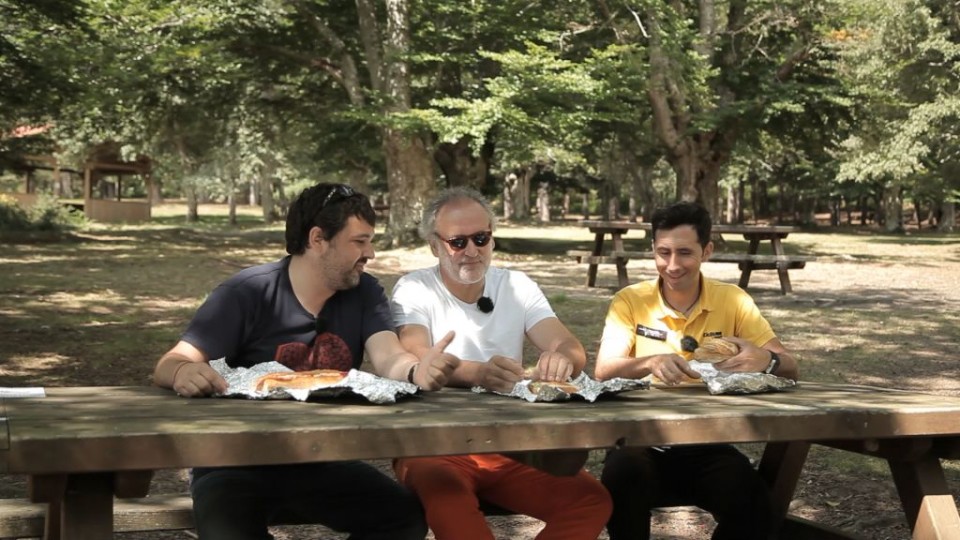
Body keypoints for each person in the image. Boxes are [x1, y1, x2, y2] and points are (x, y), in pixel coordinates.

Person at [152, 183, 458, 540]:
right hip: (233, 462)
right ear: (317, 239)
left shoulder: (364, 292)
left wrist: (415, 370)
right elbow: (170, 363)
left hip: (318, 460)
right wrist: (184, 370)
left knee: (404, 519)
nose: (370, 253)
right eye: (359, 241)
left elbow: (389, 356)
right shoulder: (246, 292)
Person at [389, 186, 612, 540]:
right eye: (457, 242)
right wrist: (478, 373)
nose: (472, 251)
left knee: (590, 501)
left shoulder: (516, 285)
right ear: (434, 245)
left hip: (510, 444)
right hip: (433, 444)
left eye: (481, 238)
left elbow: (570, 346)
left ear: (492, 238)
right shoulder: (414, 288)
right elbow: (416, 353)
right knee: (457, 517)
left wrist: (561, 358)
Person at [594, 201, 799, 540]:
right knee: (623, 478)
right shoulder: (630, 300)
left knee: (756, 506)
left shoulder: (732, 299)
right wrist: (649, 361)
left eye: (685, 253)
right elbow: (603, 370)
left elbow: (790, 366)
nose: (673, 265)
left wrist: (766, 359)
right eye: (663, 253)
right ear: (653, 249)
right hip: (638, 439)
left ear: (707, 251)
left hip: (707, 442)